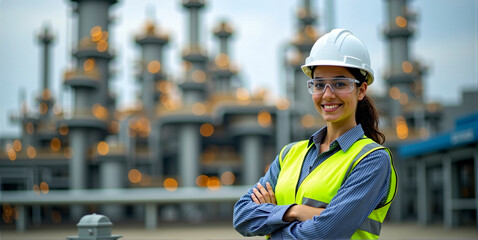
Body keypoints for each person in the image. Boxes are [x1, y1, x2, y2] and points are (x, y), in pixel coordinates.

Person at [233, 28, 397, 239]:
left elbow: (324, 233)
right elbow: (241, 216)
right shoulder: (290, 154)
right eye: (319, 84)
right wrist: (296, 211)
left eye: (340, 84)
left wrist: (272, 219)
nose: (327, 95)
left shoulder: (371, 159)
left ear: (361, 90)